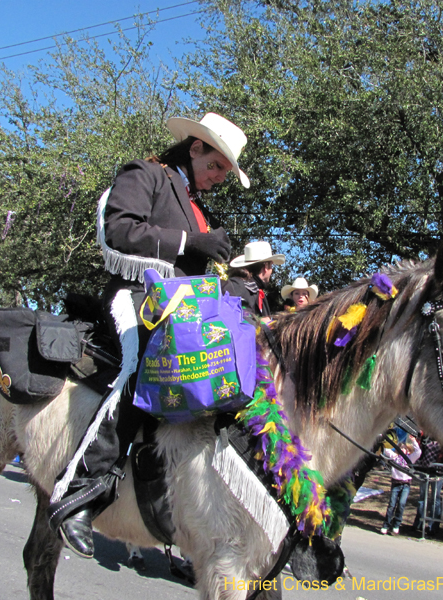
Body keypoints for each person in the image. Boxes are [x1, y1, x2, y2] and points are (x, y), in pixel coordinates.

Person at [48, 112, 251, 559]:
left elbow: (204, 269)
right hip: (135, 297)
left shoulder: (196, 204)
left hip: (184, 309)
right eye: (216, 166)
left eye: (224, 172)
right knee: (139, 365)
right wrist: (187, 244)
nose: (218, 178)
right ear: (195, 147)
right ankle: (82, 490)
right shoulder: (145, 174)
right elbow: (118, 231)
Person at [222, 241, 285, 322]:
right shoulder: (238, 286)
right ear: (266, 267)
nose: (271, 271)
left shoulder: (255, 290)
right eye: (271, 266)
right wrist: (260, 323)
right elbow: (234, 319)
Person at [380, 433, 421, 535]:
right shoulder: (395, 457)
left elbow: (418, 452)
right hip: (396, 483)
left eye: (405, 448)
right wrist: (383, 436)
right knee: (392, 504)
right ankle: (386, 525)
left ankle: (396, 525)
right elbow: (386, 450)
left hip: (406, 485)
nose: (403, 450)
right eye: (401, 448)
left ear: (407, 450)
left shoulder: (410, 459)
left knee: (401, 504)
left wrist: (414, 441)